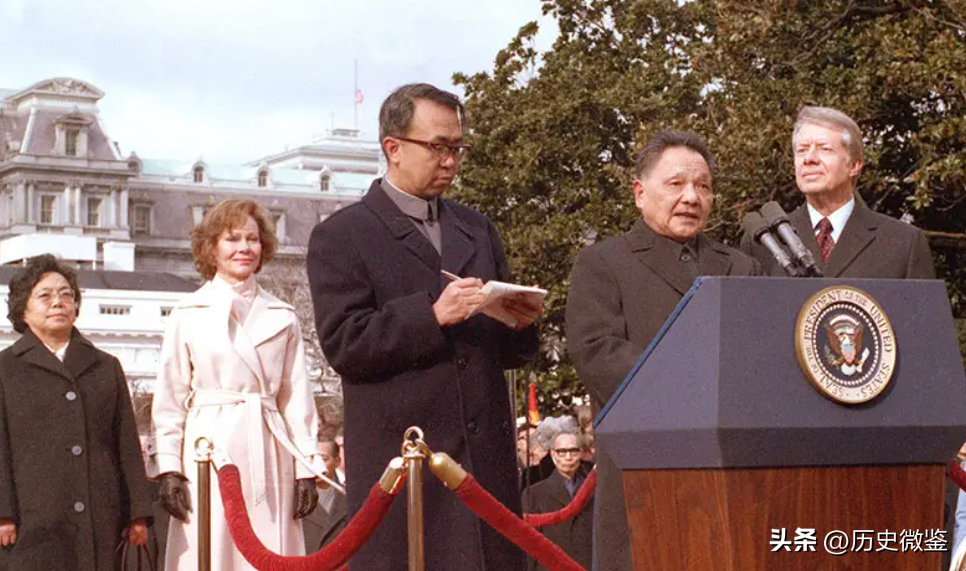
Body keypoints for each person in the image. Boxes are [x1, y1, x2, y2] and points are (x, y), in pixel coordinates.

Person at [307, 82, 542, 571]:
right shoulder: (342, 234)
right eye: (438, 147)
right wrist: (432, 314)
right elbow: (345, 345)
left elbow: (508, 352)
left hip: (484, 467)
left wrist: (517, 319)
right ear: (393, 147)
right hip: (406, 466)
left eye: (458, 147)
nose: (452, 160)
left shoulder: (477, 227)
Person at [566, 130, 760, 571]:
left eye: (703, 186)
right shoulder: (603, 263)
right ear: (639, 192)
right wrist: (699, 384)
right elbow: (598, 354)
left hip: (732, 474)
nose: (691, 196)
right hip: (643, 476)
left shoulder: (743, 266)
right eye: (676, 184)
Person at [152, 199, 322, 570]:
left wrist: (307, 468)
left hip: (270, 448)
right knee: (210, 548)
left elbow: (296, 399)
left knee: (267, 548)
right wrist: (168, 468)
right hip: (207, 450)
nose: (244, 248)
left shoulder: (283, 315)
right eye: (232, 239)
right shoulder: (187, 314)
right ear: (212, 247)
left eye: (253, 239)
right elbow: (170, 399)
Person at [0, 254, 152, 570]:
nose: (58, 302)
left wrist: (137, 511)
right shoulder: (5, 368)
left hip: (99, 517)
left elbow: (125, 441)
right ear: (22, 311)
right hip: (31, 522)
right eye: (45, 296)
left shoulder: (106, 366)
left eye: (66, 294)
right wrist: (3, 513)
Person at [740, 106, 935, 278]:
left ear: (854, 165)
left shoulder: (903, 243)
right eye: (801, 150)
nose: (809, 158)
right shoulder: (763, 242)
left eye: (824, 149)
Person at [524, 431, 593, 571]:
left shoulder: (595, 489)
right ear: (553, 454)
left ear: (580, 453)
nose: (568, 457)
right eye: (562, 452)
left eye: (573, 451)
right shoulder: (535, 493)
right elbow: (529, 543)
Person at [303, 438, 346, 553]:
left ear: (337, 461)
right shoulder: (297, 499)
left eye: (323, 459)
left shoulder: (349, 497)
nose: (317, 466)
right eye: (311, 459)